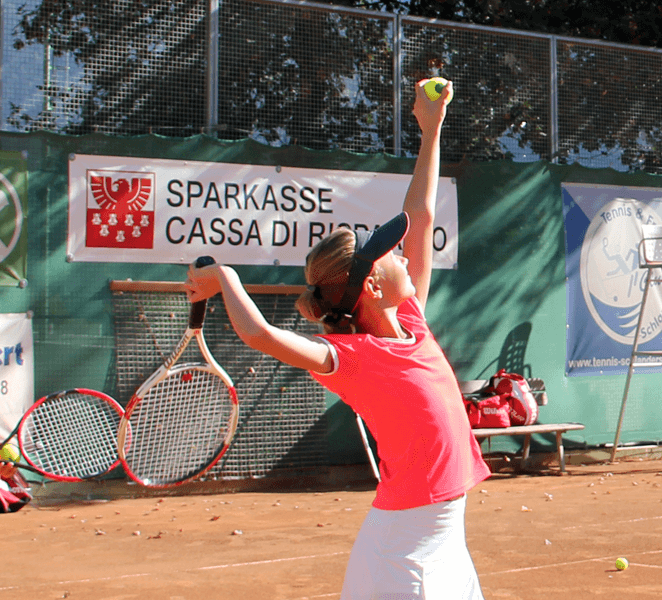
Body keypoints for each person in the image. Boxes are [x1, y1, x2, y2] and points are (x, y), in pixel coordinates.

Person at [185, 80, 490, 598]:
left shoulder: (410, 318)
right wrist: (225, 278)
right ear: (371, 285)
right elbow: (259, 333)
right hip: (404, 554)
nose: (404, 255)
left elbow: (421, 218)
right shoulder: (350, 358)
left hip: (443, 538)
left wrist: (431, 130)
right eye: (391, 255)